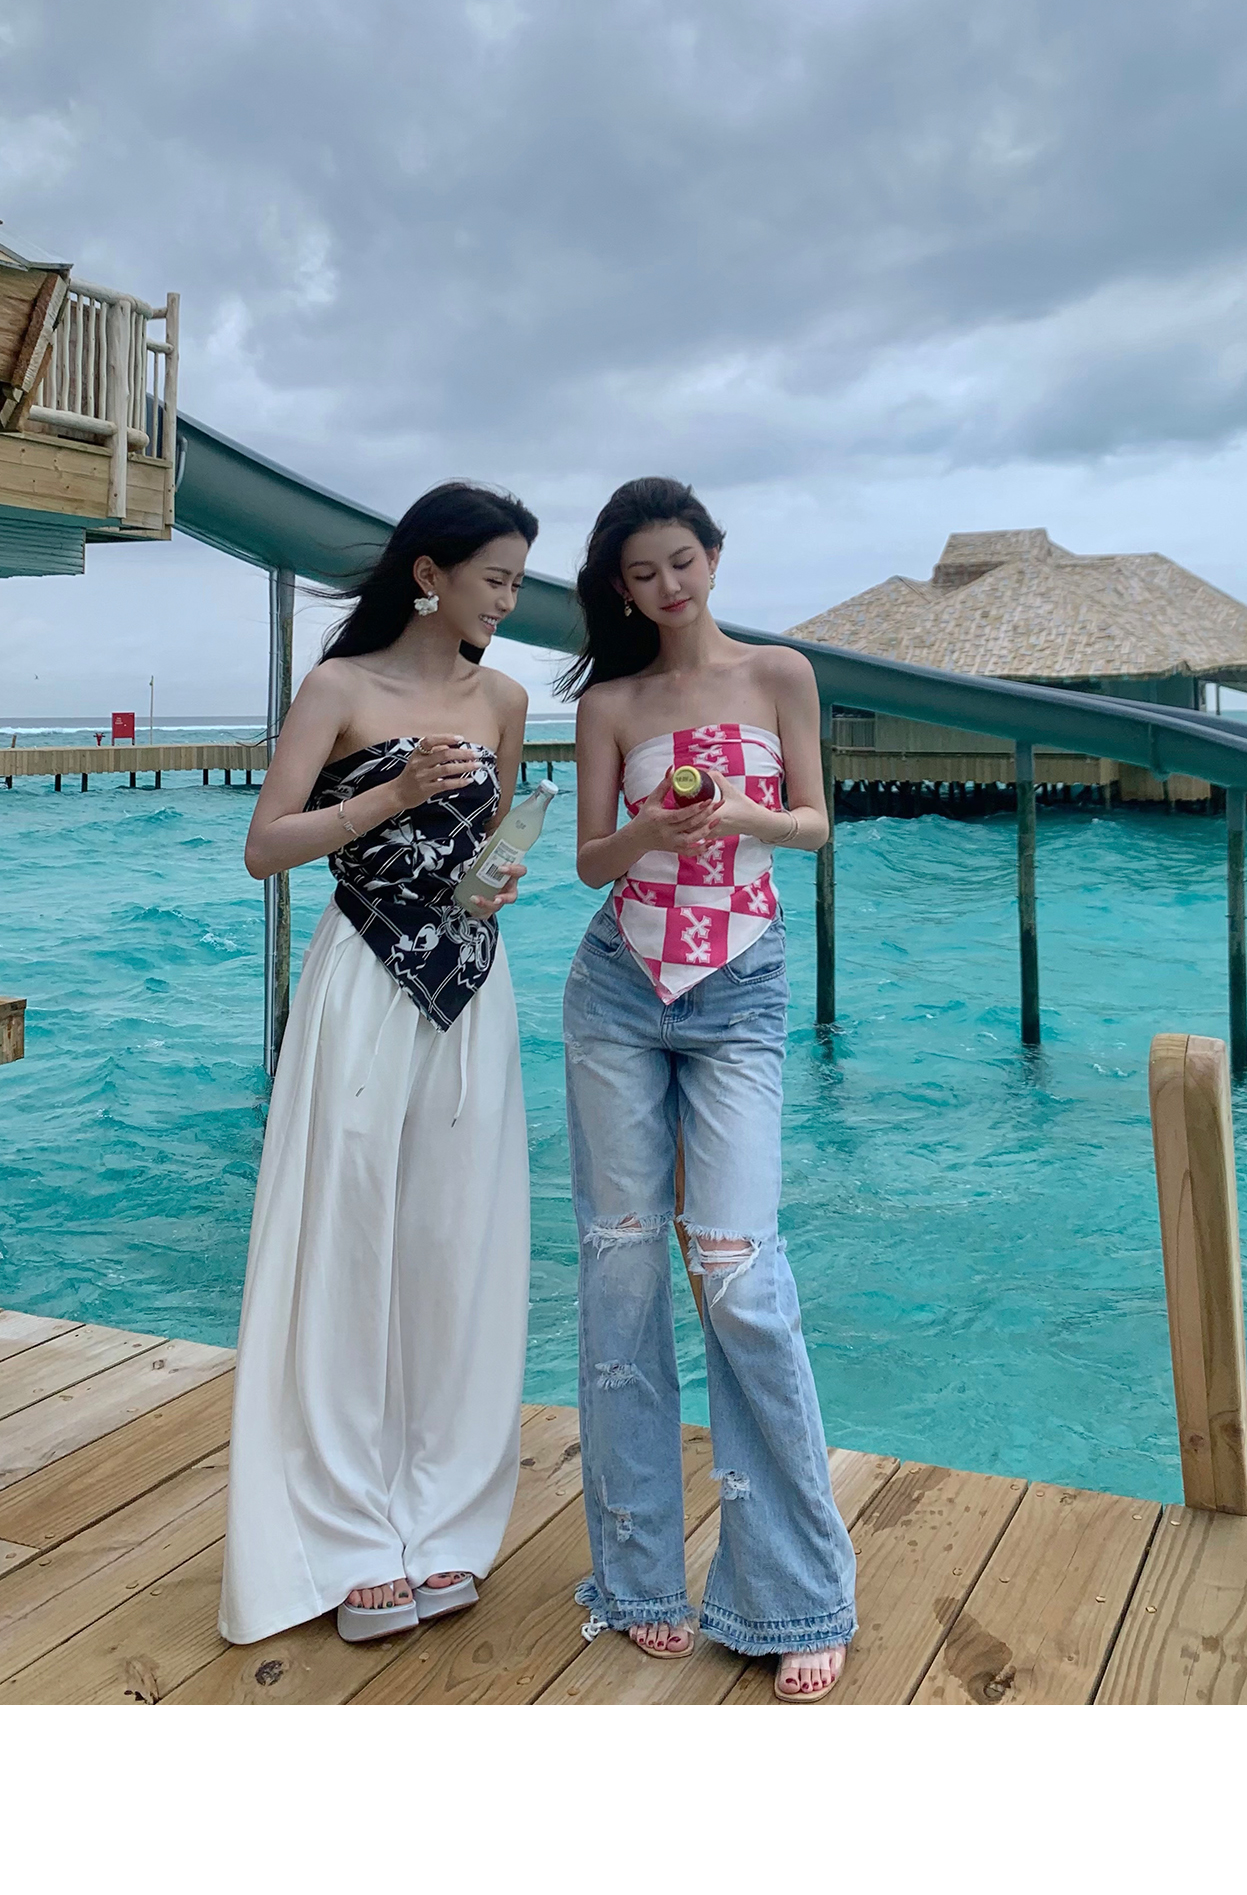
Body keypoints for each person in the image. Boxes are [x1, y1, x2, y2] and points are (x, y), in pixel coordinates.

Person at [218, 482, 537, 1647]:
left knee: (455, 1246)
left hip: (473, 989)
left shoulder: (504, 700)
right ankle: (347, 1534)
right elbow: (266, 847)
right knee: (348, 1241)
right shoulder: (340, 689)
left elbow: (490, 847)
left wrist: (499, 877)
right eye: (496, 578)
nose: (509, 601)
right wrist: (393, 794)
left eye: (516, 582)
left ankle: (441, 1515)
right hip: (360, 977)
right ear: (430, 575)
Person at [559, 476, 857, 1702]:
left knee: (737, 1272)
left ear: (715, 558)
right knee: (622, 1267)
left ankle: (796, 1593)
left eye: (681, 561)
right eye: (642, 573)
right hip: (619, 987)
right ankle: (637, 1580)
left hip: (739, 987)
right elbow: (591, 861)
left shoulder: (780, 674)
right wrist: (650, 834)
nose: (667, 585)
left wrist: (741, 814)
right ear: (621, 590)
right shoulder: (611, 704)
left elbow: (817, 822)